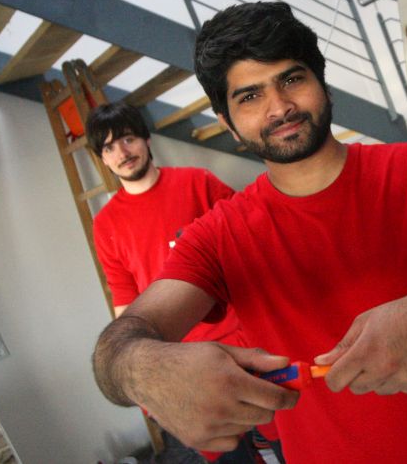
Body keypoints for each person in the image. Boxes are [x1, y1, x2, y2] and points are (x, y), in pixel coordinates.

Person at [91, 1, 407, 464]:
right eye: (250, 96)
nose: (279, 107)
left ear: (321, 83)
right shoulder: (217, 236)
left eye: (292, 79)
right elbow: (118, 346)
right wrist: (145, 370)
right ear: (228, 124)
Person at [87, 102, 281, 463]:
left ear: (145, 139)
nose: (121, 153)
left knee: (287, 441)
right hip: (187, 366)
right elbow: (126, 303)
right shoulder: (106, 225)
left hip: (249, 342)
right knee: (231, 456)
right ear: (102, 159)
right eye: (109, 147)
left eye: (127, 139)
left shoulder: (198, 182)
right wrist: (142, 376)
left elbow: (254, 239)